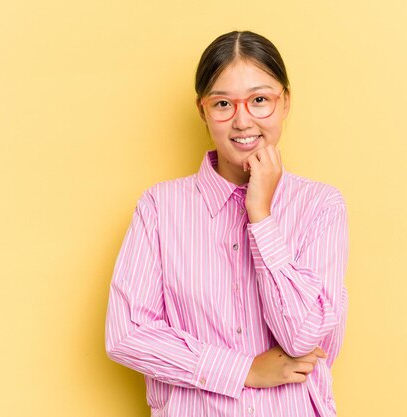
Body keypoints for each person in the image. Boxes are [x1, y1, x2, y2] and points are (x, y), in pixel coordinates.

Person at [105, 30, 349, 417]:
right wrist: (244, 371)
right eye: (223, 104)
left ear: (285, 102)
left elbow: (302, 337)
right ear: (202, 111)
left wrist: (261, 217)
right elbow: (128, 334)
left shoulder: (320, 206)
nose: (242, 120)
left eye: (260, 100)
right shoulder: (159, 208)